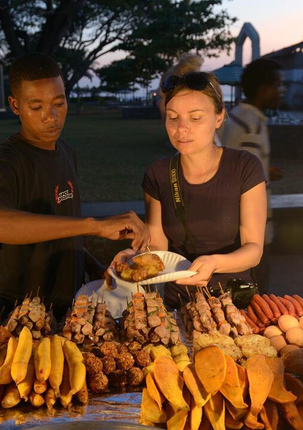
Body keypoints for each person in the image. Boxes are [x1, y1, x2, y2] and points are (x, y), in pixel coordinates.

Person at [0, 53, 149, 316]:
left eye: (58, 103)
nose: (51, 116)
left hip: (71, 306)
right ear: (15, 105)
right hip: (20, 315)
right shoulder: (4, 163)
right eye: (36, 106)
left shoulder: (65, 151)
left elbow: (63, 227)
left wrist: (94, 268)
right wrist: (95, 226)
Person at [114, 71, 268, 308]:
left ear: (219, 117)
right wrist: (135, 260)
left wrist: (214, 263)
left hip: (234, 302)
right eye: (173, 117)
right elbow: (158, 248)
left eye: (195, 118)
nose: (181, 129)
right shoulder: (158, 174)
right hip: (180, 303)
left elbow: (254, 250)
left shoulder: (244, 167)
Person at [220, 58, 285, 293]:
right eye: (277, 85)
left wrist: (265, 171)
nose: (281, 91)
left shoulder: (239, 116)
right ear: (263, 88)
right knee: (255, 295)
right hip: (251, 230)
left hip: (237, 225)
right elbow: (247, 183)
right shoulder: (251, 126)